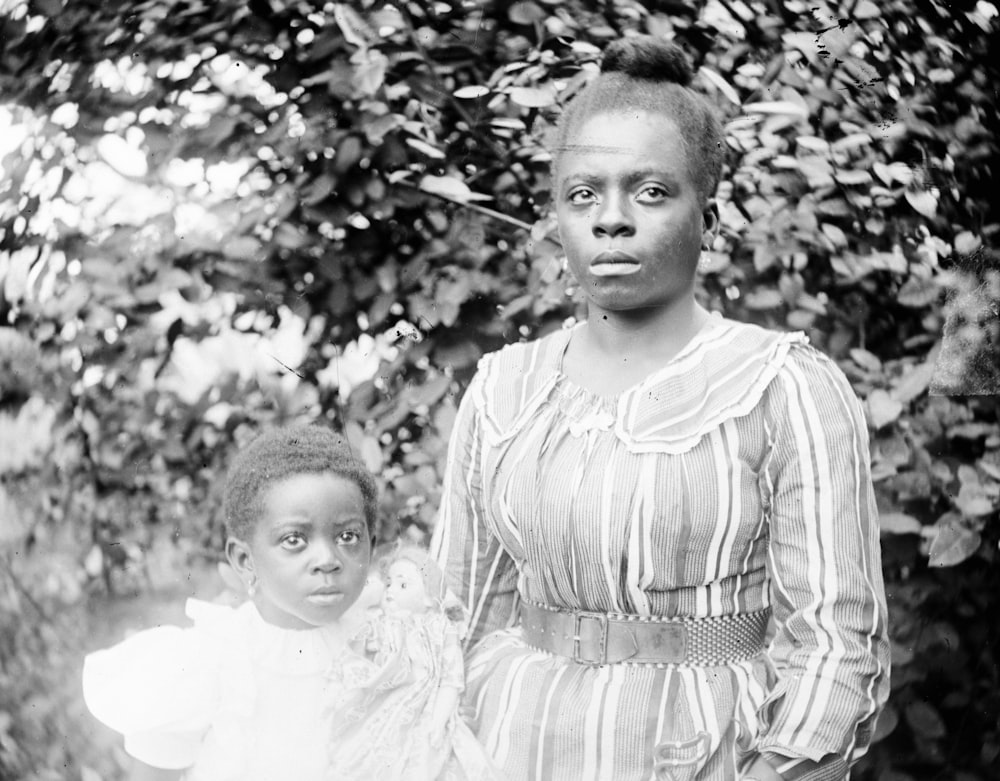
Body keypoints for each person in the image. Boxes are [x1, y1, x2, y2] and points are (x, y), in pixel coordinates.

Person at [431, 36, 890, 781]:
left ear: (706, 215)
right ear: (558, 218)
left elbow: (838, 639)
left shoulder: (784, 386)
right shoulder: (505, 388)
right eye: (584, 195)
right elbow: (456, 613)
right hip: (513, 744)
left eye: (649, 191)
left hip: (709, 755)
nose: (611, 220)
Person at [82, 425, 379, 781]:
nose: (328, 559)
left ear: (372, 545)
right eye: (294, 540)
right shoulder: (212, 661)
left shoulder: (382, 643)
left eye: (348, 536)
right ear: (244, 560)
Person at [326, 545, 503, 780]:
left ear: (429, 599)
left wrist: (439, 719)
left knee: (426, 760)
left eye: (403, 585)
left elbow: (451, 681)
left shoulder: (441, 630)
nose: (391, 591)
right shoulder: (379, 624)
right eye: (389, 584)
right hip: (383, 707)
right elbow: (357, 660)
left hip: (425, 710)